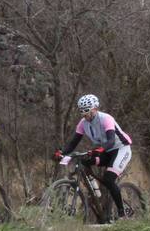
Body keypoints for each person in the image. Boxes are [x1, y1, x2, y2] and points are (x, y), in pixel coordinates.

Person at [55, 94, 134, 222]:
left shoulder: (106, 118)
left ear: (95, 109)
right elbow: (73, 143)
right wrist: (62, 153)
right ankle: (95, 191)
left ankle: (122, 213)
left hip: (121, 149)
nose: (84, 114)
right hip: (106, 150)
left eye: (87, 111)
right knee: (85, 160)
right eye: (82, 111)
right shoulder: (82, 123)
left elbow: (111, 140)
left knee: (109, 179)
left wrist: (100, 149)